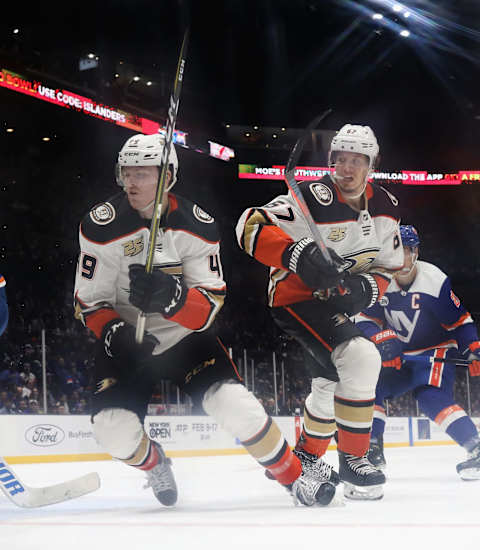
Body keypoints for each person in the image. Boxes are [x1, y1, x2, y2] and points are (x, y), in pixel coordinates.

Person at [74, 132, 337, 508]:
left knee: (235, 405)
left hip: (185, 340)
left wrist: (172, 297)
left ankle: (294, 480)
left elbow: (210, 305)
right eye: (126, 172)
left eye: (142, 173)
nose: (131, 182)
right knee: (113, 430)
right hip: (127, 345)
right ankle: (156, 462)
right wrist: (113, 330)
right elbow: (89, 301)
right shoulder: (101, 226)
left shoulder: (198, 224)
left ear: (168, 177)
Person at [236, 124, 404, 500]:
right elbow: (249, 225)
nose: (346, 169)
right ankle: (354, 461)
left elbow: (387, 268)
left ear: (371, 165)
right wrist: (296, 254)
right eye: (339, 160)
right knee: (361, 357)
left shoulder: (386, 207)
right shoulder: (312, 195)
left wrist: (365, 290)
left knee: (329, 383)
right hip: (295, 298)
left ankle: (309, 456)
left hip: (338, 305)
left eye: (356, 161)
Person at [355, 225, 480, 480]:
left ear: (417, 252)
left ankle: (476, 446)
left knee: (429, 396)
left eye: (408, 251)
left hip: (434, 350)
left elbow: (460, 321)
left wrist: (474, 347)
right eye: (397, 250)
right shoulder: (379, 279)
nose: (403, 258)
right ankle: (373, 449)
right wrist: (379, 337)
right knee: (371, 386)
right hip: (399, 352)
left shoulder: (434, 281)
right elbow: (363, 318)